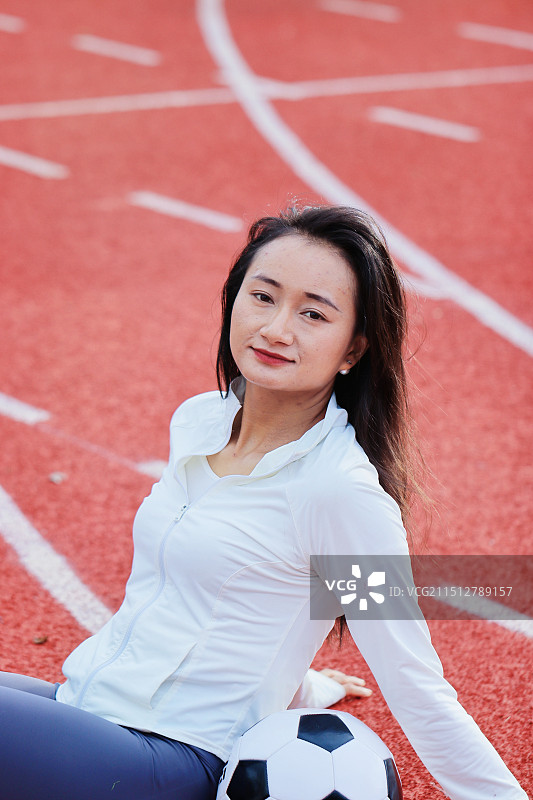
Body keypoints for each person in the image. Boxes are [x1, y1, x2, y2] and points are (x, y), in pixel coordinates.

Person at [0, 206, 526, 800]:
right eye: (263, 297)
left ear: (353, 349)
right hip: (87, 703)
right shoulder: (198, 422)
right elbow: (235, 596)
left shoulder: (339, 493)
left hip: (169, 752)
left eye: (313, 313)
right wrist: (303, 685)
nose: (276, 329)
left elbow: (415, 683)